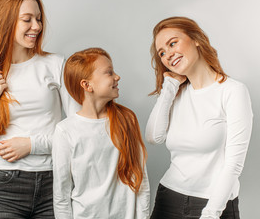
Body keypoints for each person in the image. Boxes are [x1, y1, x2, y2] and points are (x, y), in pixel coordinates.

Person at [0, 0, 79, 219]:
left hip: (55, 183)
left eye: (38, 19)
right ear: (5, 22)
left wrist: (32, 145)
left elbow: (79, 133)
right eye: (27, 19)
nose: (37, 27)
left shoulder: (56, 65)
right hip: (4, 188)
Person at [145, 16, 253, 219]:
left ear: (196, 39)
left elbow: (234, 164)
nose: (168, 54)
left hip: (214, 204)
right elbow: (153, 137)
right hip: (168, 199)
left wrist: (211, 213)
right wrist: (169, 87)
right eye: (162, 53)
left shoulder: (232, 91)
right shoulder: (177, 94)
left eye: (172, 43)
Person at [52, 48, 150, 219]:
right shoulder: (65, 131)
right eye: (109, 72)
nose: (117, 77)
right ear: (87, 85)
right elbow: (62, 194)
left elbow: (141, 180)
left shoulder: (127, 120)